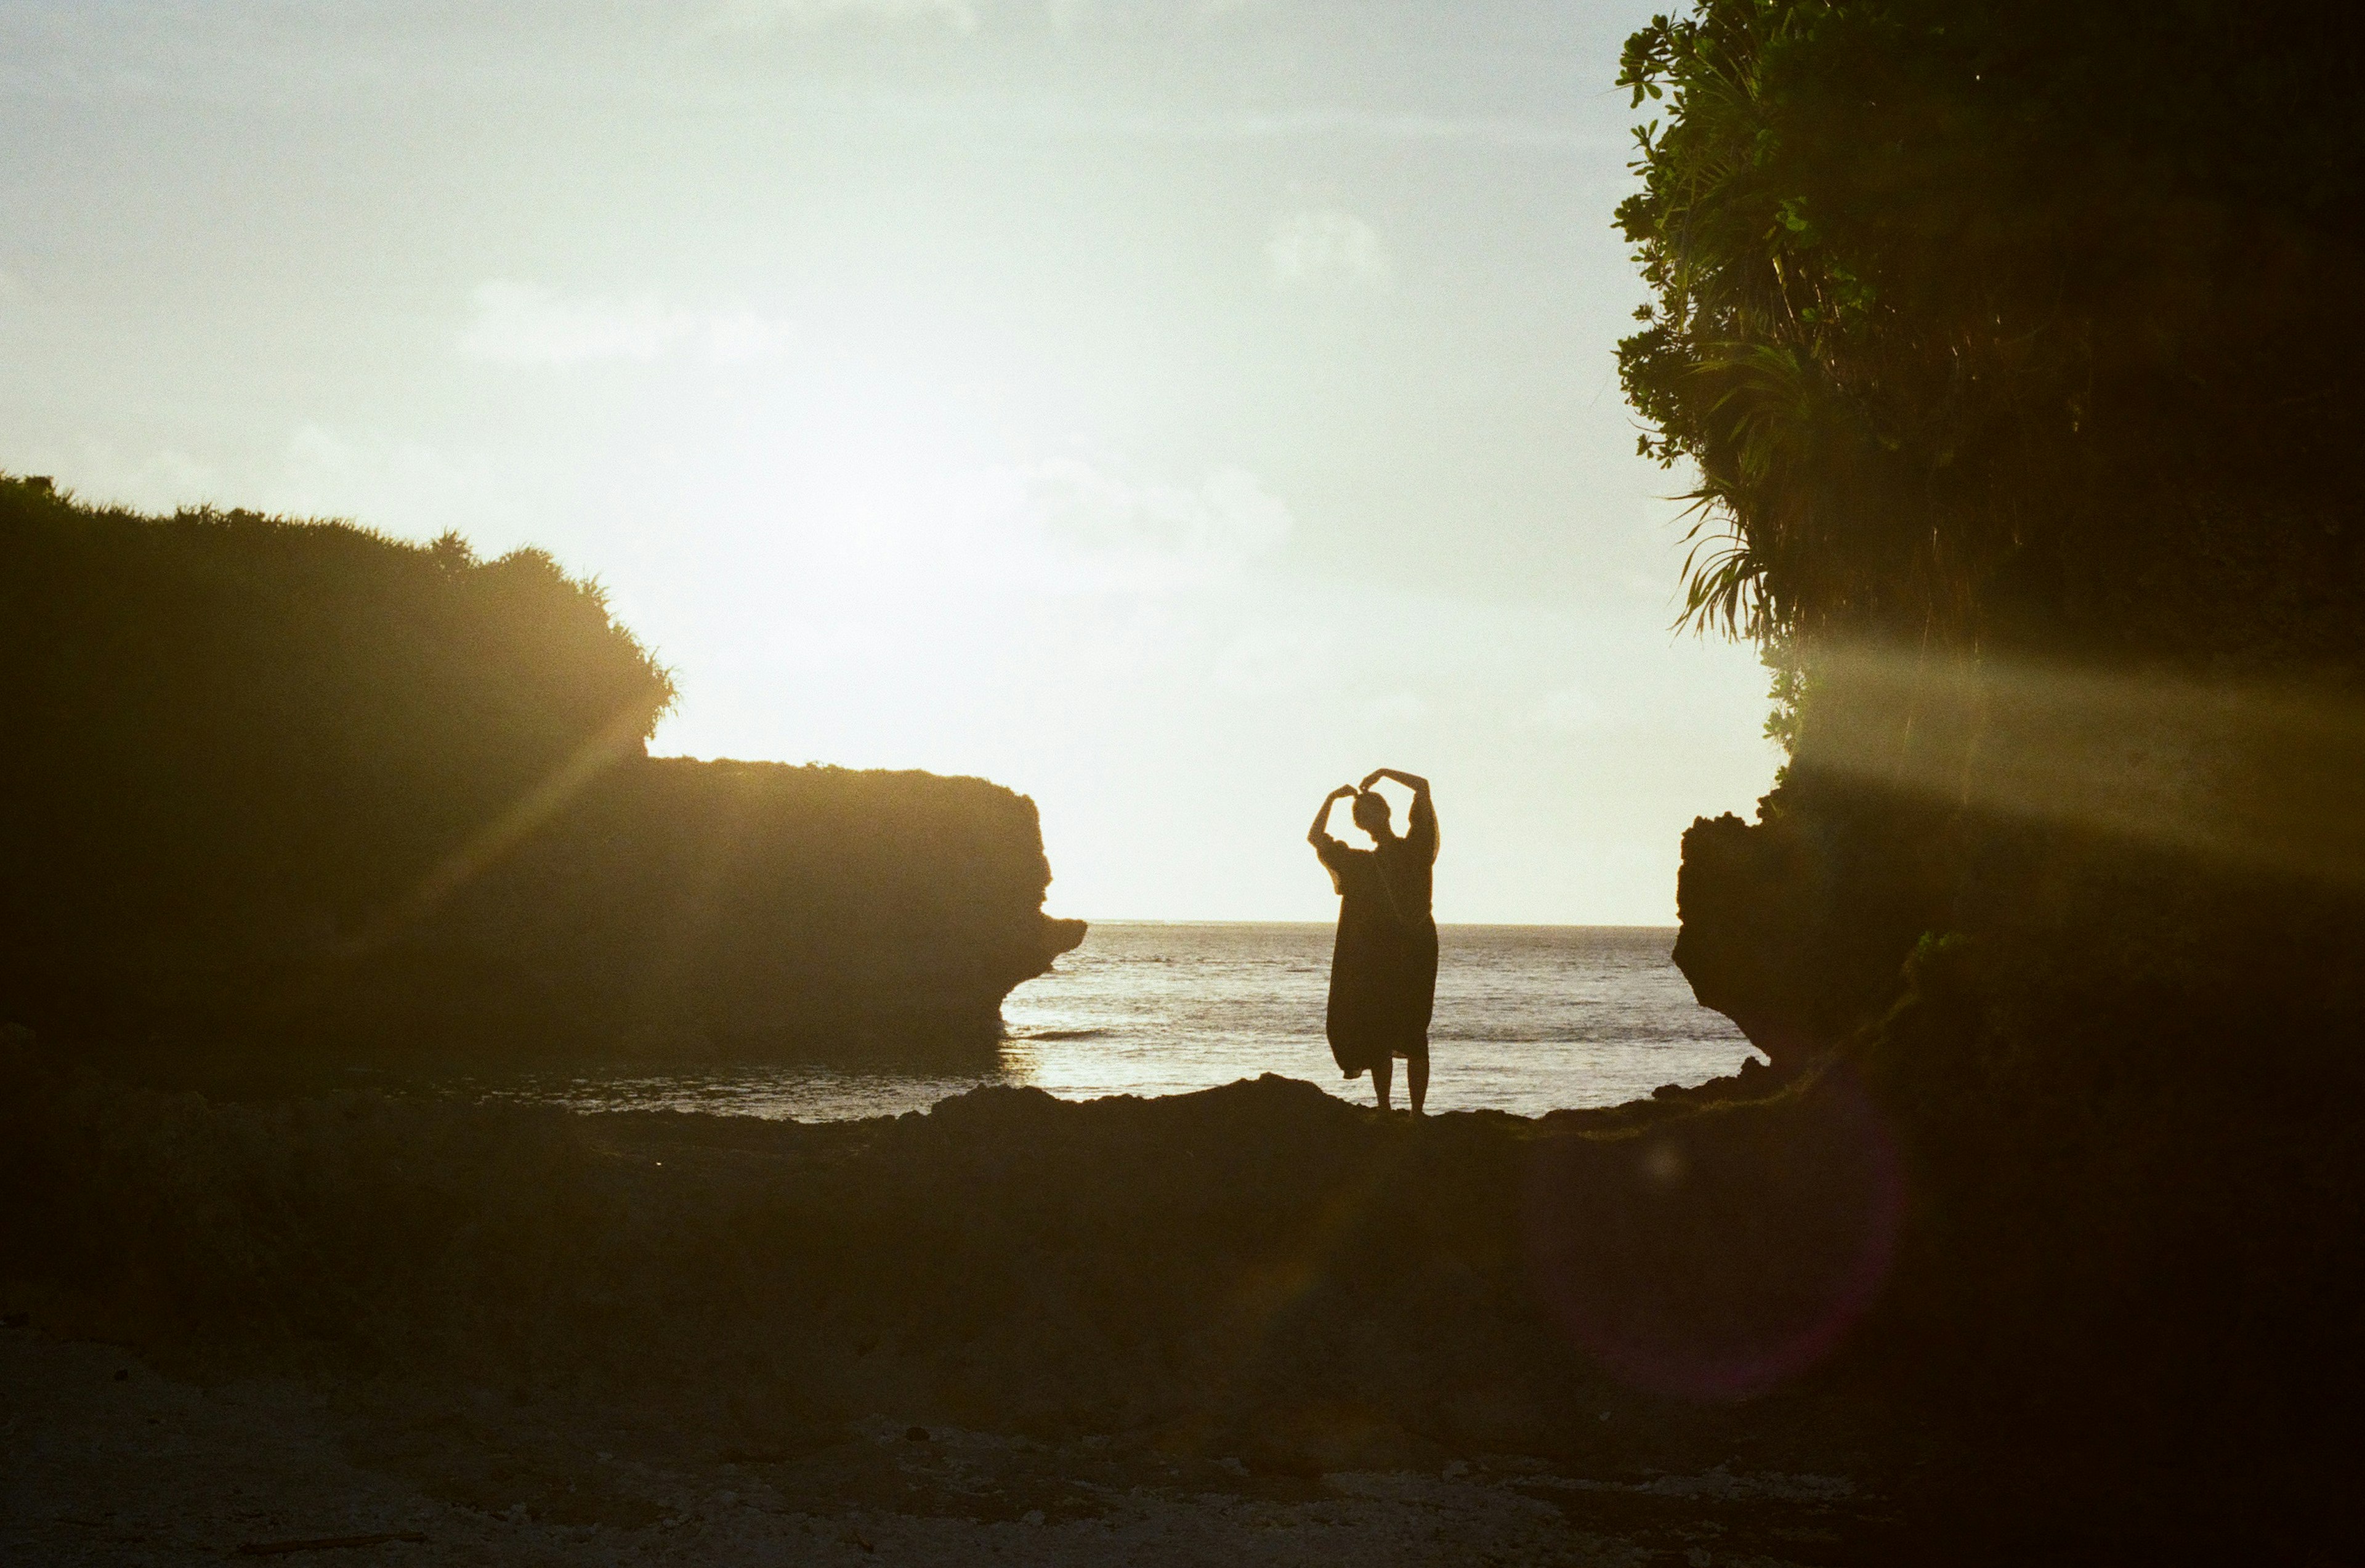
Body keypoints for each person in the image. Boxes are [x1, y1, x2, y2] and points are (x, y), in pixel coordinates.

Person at [1308, 768, 1440, 1113]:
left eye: (1372, 810)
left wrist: (1376, 777)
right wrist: (1337, 796)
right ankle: (1397, 1112)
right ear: (1364, 823)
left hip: (1405, 949)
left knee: (1407, 1027)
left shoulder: (1402, 851)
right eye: (1365, 813)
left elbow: (1422, 788)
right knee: (1393, 1026)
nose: (1371, 817)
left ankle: (1404, 1112)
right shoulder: (1376, 859)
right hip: (1398, 948)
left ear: (1383, 813)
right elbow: (1316, 837)